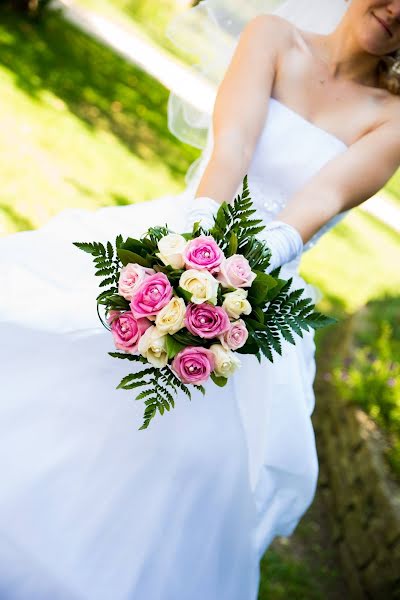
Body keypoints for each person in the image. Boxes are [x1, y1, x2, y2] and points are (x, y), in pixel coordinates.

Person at [0, 0, 399, 598]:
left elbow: (322, 198)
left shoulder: (392, 116)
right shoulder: (273, 36)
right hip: (190, 233)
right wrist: (193, 254)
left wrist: (237, 286)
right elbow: (232, 146)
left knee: (191, 461)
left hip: (259, 295)